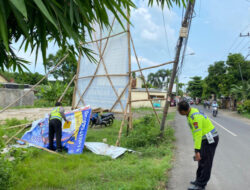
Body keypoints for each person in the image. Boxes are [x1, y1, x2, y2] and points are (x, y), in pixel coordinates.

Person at [178, 100, 219, 190]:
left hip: (209, 140)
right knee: (201, 161)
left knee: (206, 162)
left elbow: (198, 134)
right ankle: (199, 180)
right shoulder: (191, 112)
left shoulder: (194, 117)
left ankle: (201, 185)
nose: (179, 112)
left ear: (183, 111)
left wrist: (197, 150)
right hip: (204, 139)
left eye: (179, 111)